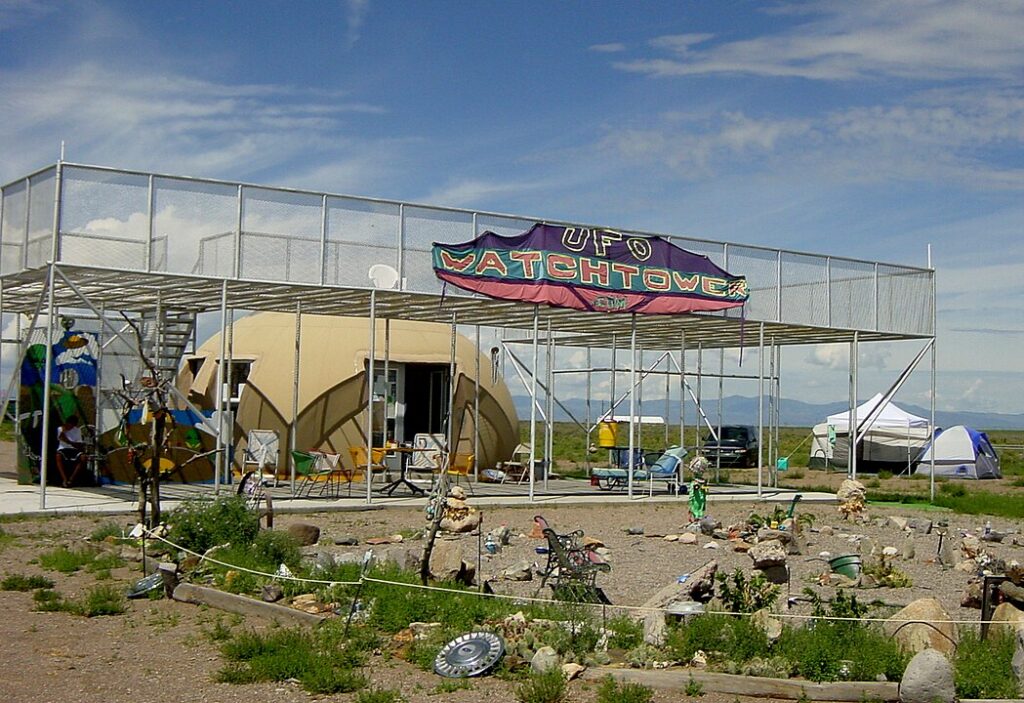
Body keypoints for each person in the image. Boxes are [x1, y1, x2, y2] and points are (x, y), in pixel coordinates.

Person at [56, 415, 88, 487]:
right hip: (63, 448)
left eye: (72, 425)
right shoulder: (60, 429)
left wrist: (70, 443)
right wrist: (64, 431)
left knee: (83, 458)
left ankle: (71, 479)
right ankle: (64, 479)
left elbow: (78, 443)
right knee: (58, 456)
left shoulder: (77, 430)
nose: (70, 427)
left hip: (73, 449)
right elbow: (61, 438)